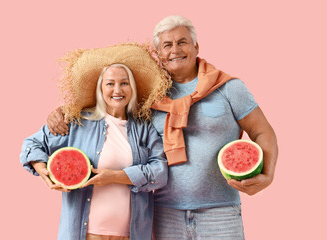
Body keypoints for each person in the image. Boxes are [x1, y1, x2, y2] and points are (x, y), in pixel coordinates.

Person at [47, 16, 278, 240]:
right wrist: (61, 113)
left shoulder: (229, 88)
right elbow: (108, 107)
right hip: (164, 212)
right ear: (159, 55)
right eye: (167, 45)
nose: (175, 50)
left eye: (182, 42)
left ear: (196, 47)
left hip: (220, 212)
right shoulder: (149, 97)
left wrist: (267, 175)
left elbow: (262, 131)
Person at [20, 44, 169, 240]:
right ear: (100, 88)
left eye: (124, 83)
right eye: (110, 83)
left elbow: (160, 173)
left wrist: (115, 176)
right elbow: (32, 144)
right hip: (84, 234)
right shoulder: (77, 121)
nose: (117, 89)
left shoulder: (144, 128)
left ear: (132, 87)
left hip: (132, 234)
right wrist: (43, 171)